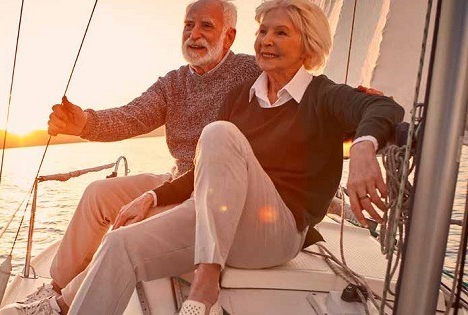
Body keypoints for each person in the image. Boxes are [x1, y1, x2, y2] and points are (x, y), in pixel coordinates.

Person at [61, 0, 404, 314]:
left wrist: (362, 146)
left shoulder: (323, 95)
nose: (266, 40)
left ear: (308, 45)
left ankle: (205, 283)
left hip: (276, 231)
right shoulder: (241, 97)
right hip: (218, 216)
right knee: (119, 244)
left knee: (218, 132)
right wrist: (151, 196)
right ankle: (61, 298)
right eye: (263, 31)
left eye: (281, 32)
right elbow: (197, 165)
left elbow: (382, 107)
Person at [0, 0, 261, 314]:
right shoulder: (174, 83)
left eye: (207, 26)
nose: (194, 34)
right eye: (188, 25)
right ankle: (53, 288)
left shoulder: (251, 72)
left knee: (129, 224)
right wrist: (83, 123)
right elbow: (131, 116)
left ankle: (63, 303)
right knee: (97, 194)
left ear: (229, 37)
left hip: (213, 194)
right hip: (175, 181)